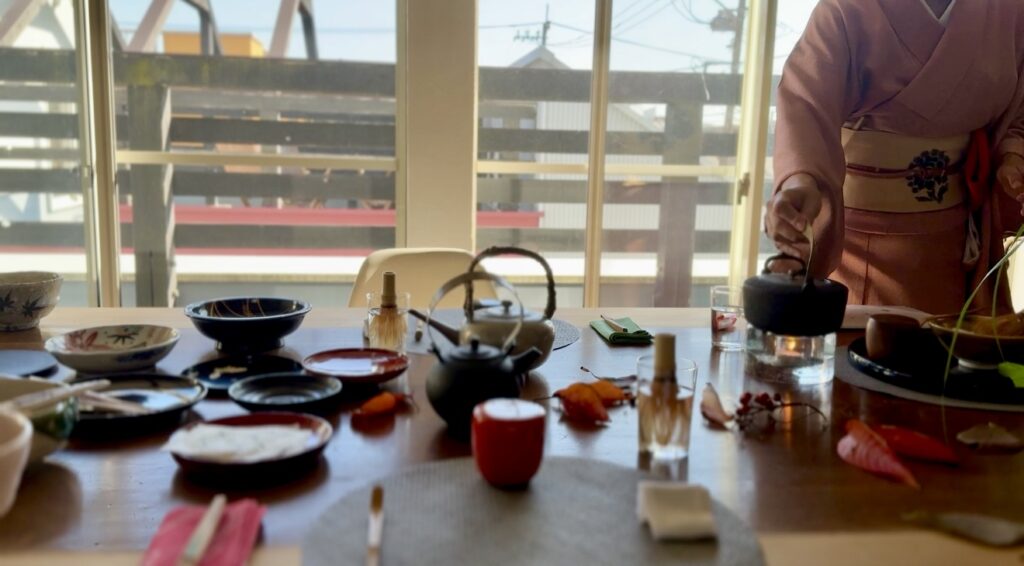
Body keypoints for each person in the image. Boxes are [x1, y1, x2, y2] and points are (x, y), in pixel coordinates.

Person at [765, 0, 1024, 315]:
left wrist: (1013, 156)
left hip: (952, 241)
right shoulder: (847, 9)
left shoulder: (1010, 12)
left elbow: (1018, 113)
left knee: (946, 353)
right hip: (854, 242)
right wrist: (801, 179)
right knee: (851, 353)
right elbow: (806, 105)